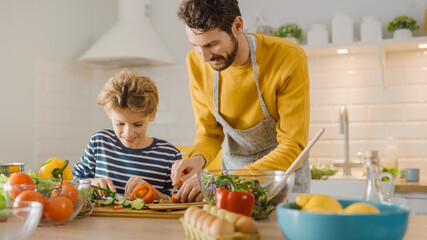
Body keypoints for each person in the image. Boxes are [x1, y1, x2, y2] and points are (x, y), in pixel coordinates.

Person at [171, 0, 310, 203]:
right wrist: (198, 159)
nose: (204, 57)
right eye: (196, 46)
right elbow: (209, 133)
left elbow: (292, 145)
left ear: (237, 26)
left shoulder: (288, 58)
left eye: (211, 44)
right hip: (231, 178)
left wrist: (227, 180)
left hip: (283, 177)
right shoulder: (195, 62)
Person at [73, 70, 181, 200]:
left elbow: (177, 201)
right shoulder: (99, 143)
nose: (128, 133)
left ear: (152, 114)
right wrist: (91, 184)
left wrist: (153, 193)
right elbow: (72, 182)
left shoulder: (169, 155)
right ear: (109, 114)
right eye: (120, 124)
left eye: (138, 124)